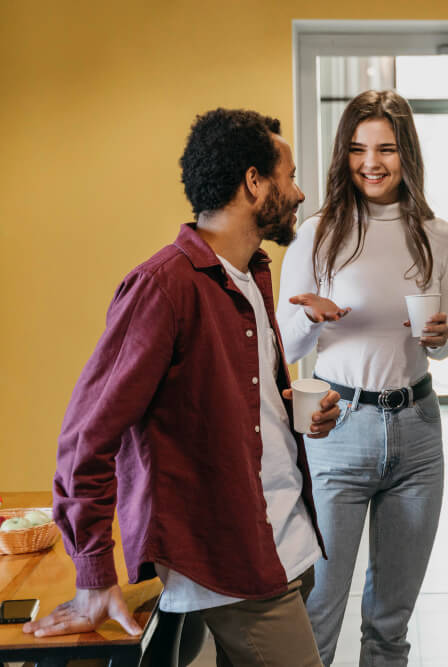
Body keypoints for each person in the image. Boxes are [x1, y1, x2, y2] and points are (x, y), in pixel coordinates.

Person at [25, 108, 344, 667]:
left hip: (284, 537)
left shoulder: (250, 274)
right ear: (253, 182)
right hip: (234, 560)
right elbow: (85, 435)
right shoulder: (164, 286)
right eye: (288, 175)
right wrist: (94, 572)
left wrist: (292, 411)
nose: (298, 192)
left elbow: (226, 404)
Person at [277, 89, 448, 666]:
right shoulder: (317, 232)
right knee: (320, 613)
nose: (371, 163)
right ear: (343, 155)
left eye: (386, 149)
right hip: (338, 431)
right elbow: (283, 343)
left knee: (391, 621)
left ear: (407, 153)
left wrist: (439, 338)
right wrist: (309, 314)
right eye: (358, 149)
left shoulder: (439, 234)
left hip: (418, 432)